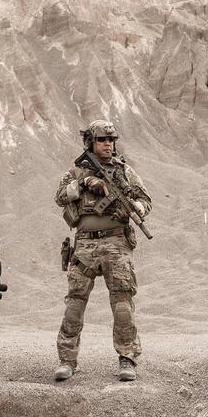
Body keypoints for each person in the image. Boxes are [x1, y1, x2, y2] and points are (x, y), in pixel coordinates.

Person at [53, 120, 152, 382]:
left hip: (117, 243)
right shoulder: (76, 171)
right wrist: (85, 183)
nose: (108, 144)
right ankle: (67, 360)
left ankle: (127, 358)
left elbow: (145, 200)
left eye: (111, 140)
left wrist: (135, 210)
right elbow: (60, 196)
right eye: (102, 140)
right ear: (90, 142)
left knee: (122, 304)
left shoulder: (125, 172)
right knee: (75, 303)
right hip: (85, 244)